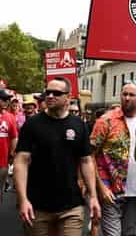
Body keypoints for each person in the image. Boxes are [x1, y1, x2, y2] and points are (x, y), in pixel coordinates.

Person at [13, 77, 101, 235]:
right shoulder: (32, 124)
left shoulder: (79, 125)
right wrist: (22, 199)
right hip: (37, 207)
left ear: (68, 97)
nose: (50, 95)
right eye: (48, 92)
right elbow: (21, 161)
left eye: (56, 93)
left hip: (71, 207)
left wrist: (93, 196)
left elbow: (86, 161)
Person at [90, 81, 136, 236]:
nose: (127, 98)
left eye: (131, 95)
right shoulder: (106, 121)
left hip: (135, 189)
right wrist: (101, 187)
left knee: (130, 232)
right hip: (110, 189)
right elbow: (90, 155)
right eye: (124, 94)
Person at [0, 89, 17, 203]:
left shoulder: (10, 117)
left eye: (8, 100)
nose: (7, 102)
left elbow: (14, 137)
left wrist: (12, 153)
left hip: (3, 161)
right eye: (4, 100)